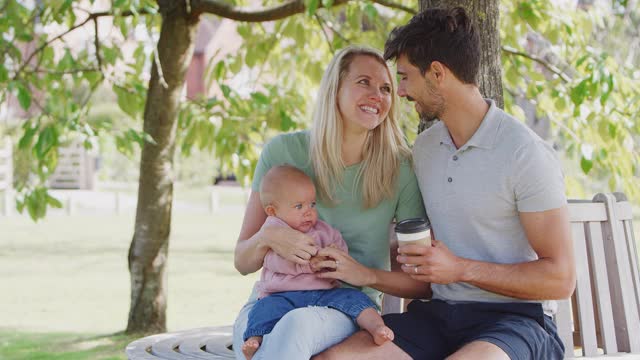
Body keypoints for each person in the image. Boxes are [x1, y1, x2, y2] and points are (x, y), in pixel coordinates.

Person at [314, 7, 576, 360]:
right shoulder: (424, 150)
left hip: (515, 321)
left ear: (437, 73)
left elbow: (560, 278)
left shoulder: (524, 153)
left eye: (405, 77)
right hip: (438, 317)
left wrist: (461, 269)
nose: (402, 92)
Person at [232, 45, 431, 360]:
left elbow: (421, 284)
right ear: (334, 89)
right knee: (265, 338)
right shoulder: (283, 153)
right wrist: (267, 237)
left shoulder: (400, 168)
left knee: (295, 327)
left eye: (386, 88)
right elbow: (242, 261)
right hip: (270, 301)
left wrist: (364, 274)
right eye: (363, 82)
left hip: (347, 307)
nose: (376, 95)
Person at [242, 164, 394, 360]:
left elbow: (340, 251)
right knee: (263, 309)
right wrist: (307, 263)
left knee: (355, 299)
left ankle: (376, 327)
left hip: (325, 294)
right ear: (272, 211)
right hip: (282, 295)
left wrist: (334, 255)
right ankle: (255, 338)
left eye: (312, 204)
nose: (308, 212)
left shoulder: (323, 230)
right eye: (299, 206)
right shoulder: (275, 232)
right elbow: (272, 262)